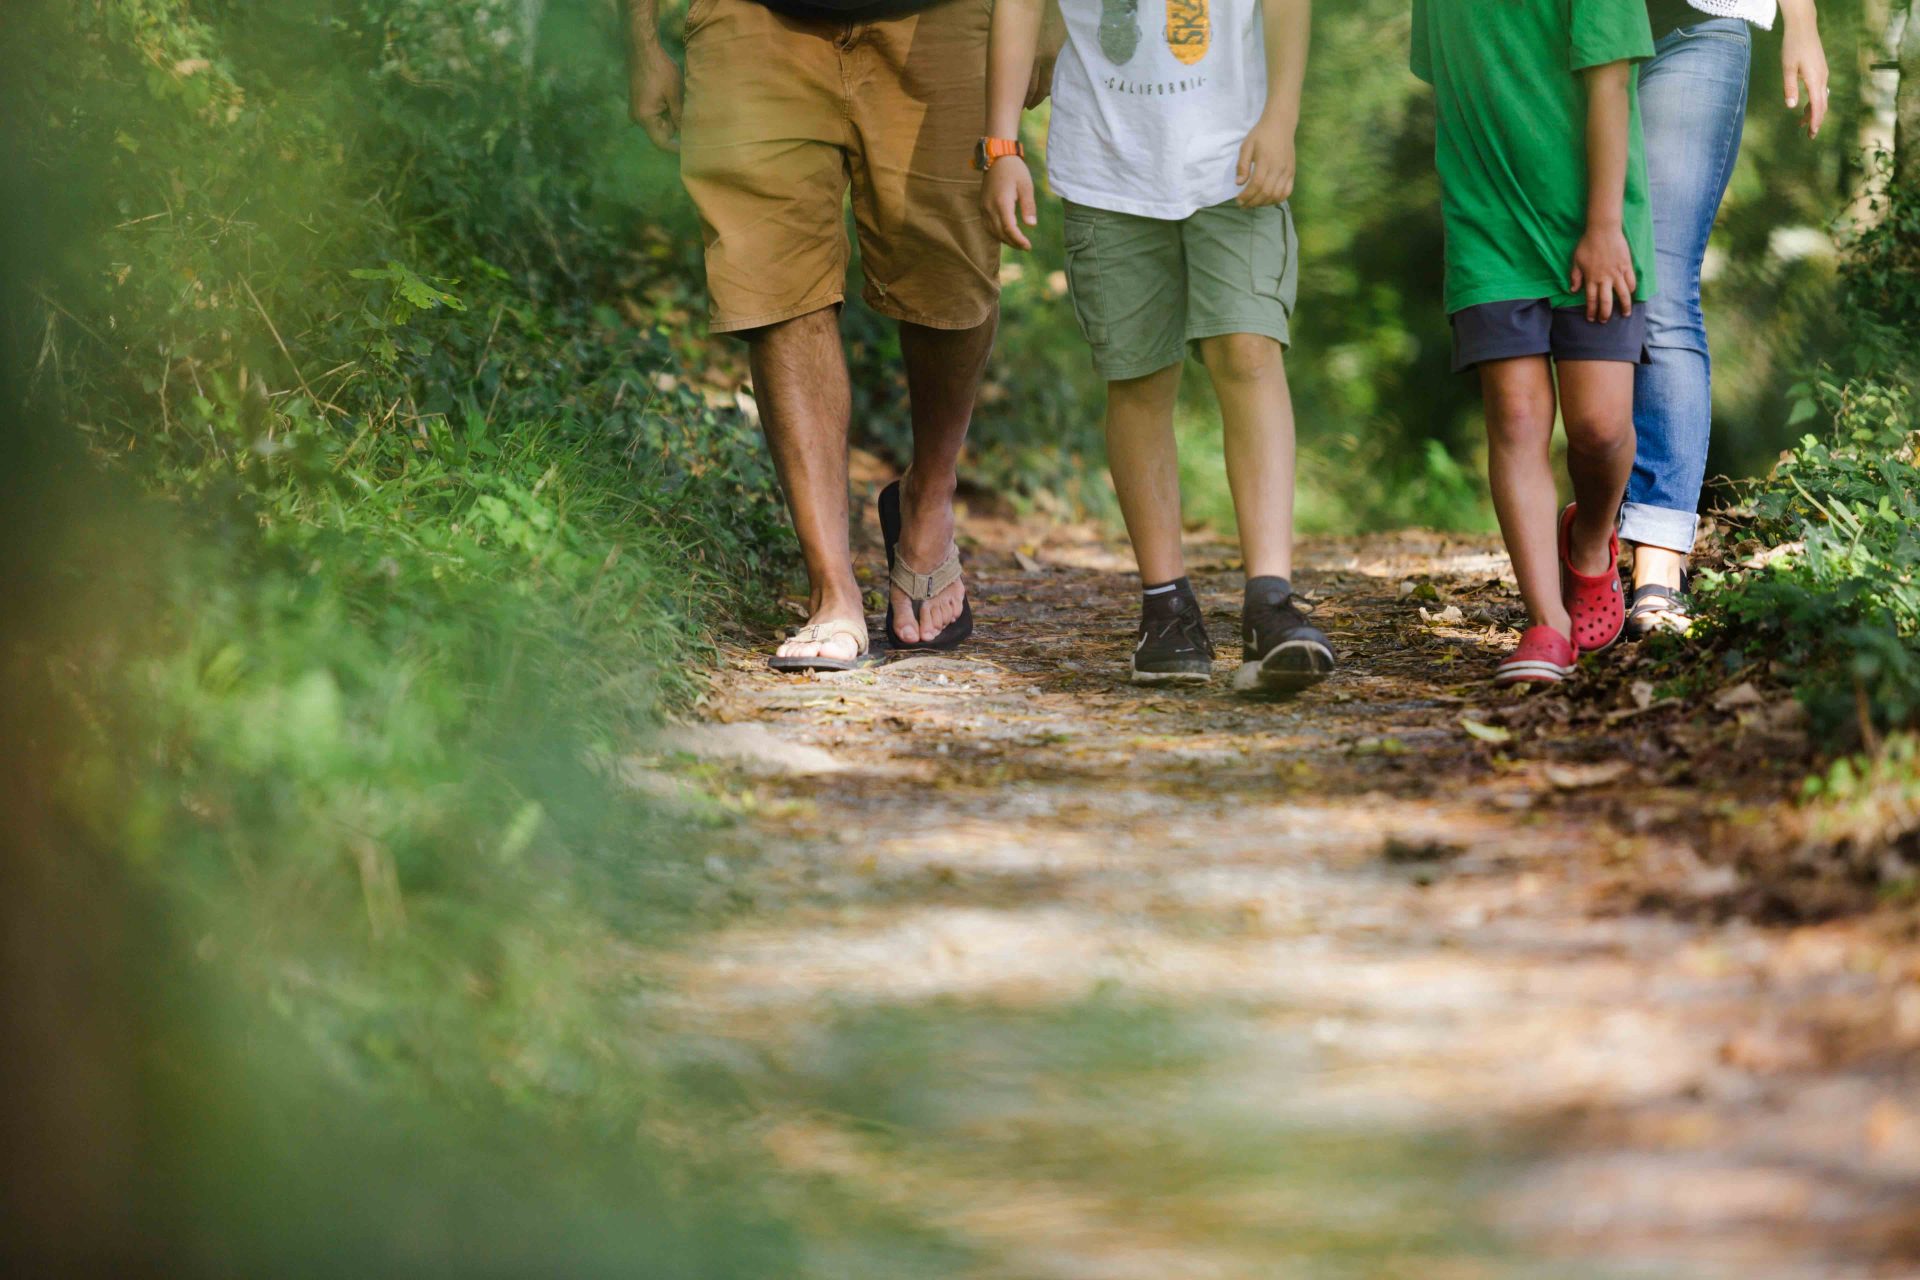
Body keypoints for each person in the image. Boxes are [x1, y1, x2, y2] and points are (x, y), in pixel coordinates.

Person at [625, 0, 1049, 671]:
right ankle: (832, 589)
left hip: (937, 18)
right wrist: (643, 38)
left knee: (951, 280)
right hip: (750, 19)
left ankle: (929, 495)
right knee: (773, 283)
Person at [981, 0, 1336, 696]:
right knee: (1138, 377)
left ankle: (1271, 602)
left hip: (1235, 155)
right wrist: (1002, 145)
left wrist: (1281, 118)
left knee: (1249, 350)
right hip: (1108, 164)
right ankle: (1166, 608)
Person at [1410, 0, 1657, 686]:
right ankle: (1546, 622)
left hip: (1595, 219)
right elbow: (1454, 79)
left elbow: (1610, 81)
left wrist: (1605, 225)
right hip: (1488, 224)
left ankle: (1588, 539)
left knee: (1600, 430)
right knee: (1516, 415)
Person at [1624, 0, 1828, 637]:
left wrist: (1802, 22)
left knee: (1659, 288)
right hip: (1561, 32)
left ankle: (1656, 569)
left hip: (1696, 24)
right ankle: (1588, 547)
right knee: (1574, 290)